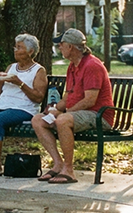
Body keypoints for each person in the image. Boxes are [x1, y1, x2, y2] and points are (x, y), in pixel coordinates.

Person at [31, 28, 113, 185]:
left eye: (61, 44)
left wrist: (64, 112)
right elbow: (69, 95)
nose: (59, 47)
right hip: (78, 113)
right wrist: (55, 109)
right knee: (38, 120)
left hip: (98, 115)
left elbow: (90, 100)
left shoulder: (91, 65)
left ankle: (69, 170)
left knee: (63, 120)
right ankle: (58, 164)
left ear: (71, 47)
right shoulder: (72, 66)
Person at [0, 33, 47, 177]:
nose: (15, 50)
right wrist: (0, 79)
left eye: (19, 47)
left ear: (30, 52)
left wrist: (19, 83)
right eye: (15, 47)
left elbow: (38, 98)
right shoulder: (11, 67)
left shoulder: (38, 71)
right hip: (3, 105)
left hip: (24, 108)